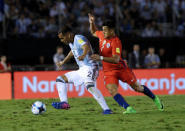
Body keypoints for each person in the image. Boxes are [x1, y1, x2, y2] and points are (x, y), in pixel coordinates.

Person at [88, 13, 164, 114]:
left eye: (106, 30)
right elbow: (93, 31)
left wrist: (100, 57)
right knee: (111, 90)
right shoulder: (102, 34)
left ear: (112, 30)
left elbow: (116, 59)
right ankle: (128, 109)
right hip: (108, 71)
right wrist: (92, 22)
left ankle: (155, 98)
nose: (104, 32)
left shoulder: (116, 42)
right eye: (103, 30)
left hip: (121, 68)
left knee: (138, 88)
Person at [52, 25, 112, 114]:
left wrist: (83, 55)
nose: (62, 40)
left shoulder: (78, 38)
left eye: (62, 38)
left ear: (68, 34)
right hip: (82, 70)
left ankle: (107, 109)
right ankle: (64, 103)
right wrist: (63, 62)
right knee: (60, 79)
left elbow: (85, 46)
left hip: (91, 67)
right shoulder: (71, 43)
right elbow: (72, 51)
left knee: (89, 86)